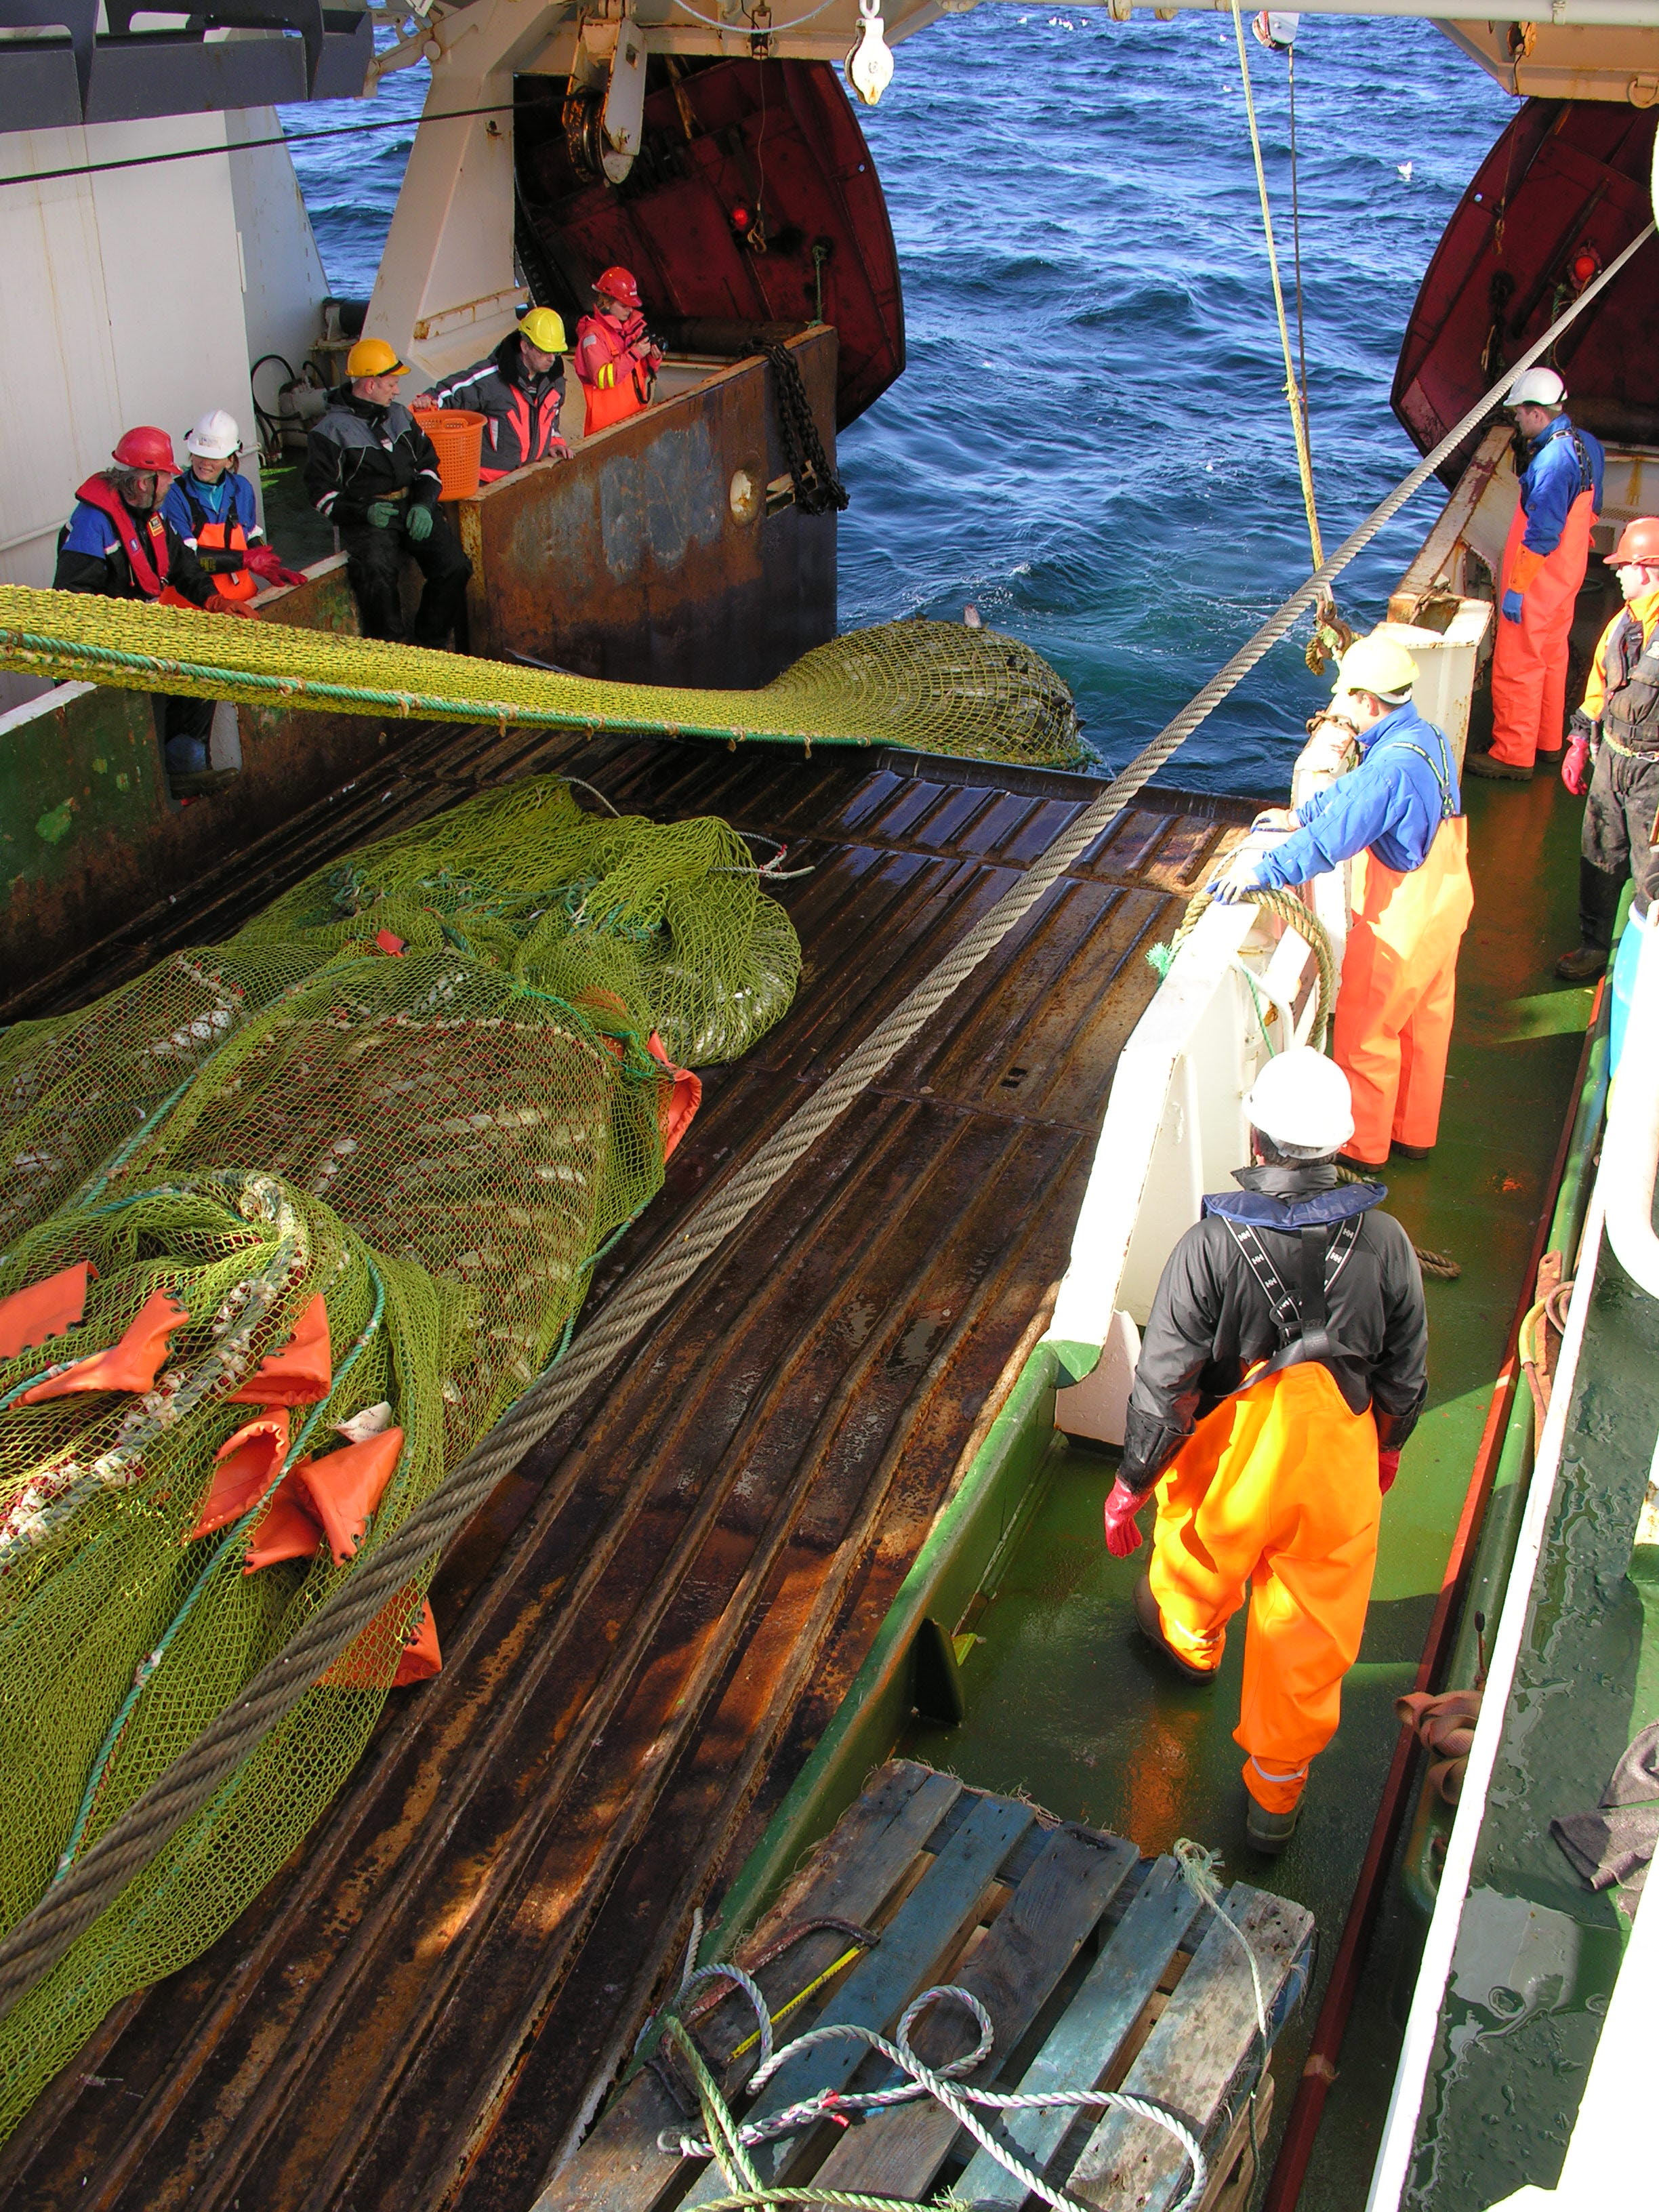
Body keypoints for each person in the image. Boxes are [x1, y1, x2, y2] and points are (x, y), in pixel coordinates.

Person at [1101, 1048, 1428, 1853]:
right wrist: (1386, 1451)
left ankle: (1189, 1649)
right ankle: (1273, 1809)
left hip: (1236, 1461)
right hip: (1337, 1465)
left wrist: (1132, 1484)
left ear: (1257, 1138)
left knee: (1195, 1558)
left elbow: (1165, 1386)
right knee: (1310, 1630)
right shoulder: (1387, 1242)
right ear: (1340, 1145)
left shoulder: (1208, 1247)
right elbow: (1406, 1371)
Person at [1208, 633, 1473, 1172]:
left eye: (1345, 697)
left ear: (1367, 702)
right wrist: (1300, 814)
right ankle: (1414, 1135)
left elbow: (1336, 839)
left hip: (1405, 917)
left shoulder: (1388, 771)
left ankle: (1365, 1151)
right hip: (1449, 899)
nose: (1338, 709)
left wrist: (1266, 871)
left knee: (1366, 1033)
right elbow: (1353, 797)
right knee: (1426, 1020)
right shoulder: (1427, 737)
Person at [54, 424, 258, 786]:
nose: (170, 484)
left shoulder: (151, 514)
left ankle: (186, 766)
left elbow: (182, 565)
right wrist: (125, 639)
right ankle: (156, 781)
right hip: (104, 646)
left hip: (143, 634)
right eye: (165, 477)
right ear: (143, 483)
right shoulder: (92, 523)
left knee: (205, 665)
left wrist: (215, 600)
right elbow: (72, 600)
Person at [1469, 367, 1604, 782]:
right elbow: (1593, 507)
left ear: (1536, 413)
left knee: (1518, 663)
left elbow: (1542, 534)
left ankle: (1512, 754)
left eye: (1520, 413)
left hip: (1539, 579)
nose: (1516, 421)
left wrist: (1517, 589)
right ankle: (1547, 743)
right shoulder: (1587, 446)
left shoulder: (1551, 463)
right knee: (1551, 656)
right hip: (1569, 573)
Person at [1553, 518, 1659, 1042]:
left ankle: (1645, 965)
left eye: (1625, 568)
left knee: (1651, 871)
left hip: (1654, 773)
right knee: (1599, 852)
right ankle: (1594, 945)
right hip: (1612, 759)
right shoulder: (1623, 623)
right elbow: (1599, 686)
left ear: (1648, 569)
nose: (1616, 575)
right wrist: (1578, 742)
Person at [304, 337, 472, 647]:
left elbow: (428, 465)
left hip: (412, 506)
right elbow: (320, 495)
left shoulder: (400, 416)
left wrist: (423, 504)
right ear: (370, 384)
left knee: (455, 567)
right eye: (391, 383)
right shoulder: (329, 432)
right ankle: (393, 648)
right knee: (376, 577)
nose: (397, 390)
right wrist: (363, 512)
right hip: (369, 519)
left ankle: (431, 642)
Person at [161, 411, 308, 602]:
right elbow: (185, 559)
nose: (205, 463)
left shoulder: (241, 488)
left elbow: (250, 537)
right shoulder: (173, 495)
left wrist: (271, 565)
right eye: (200, 454)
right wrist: (245, 560)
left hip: (243, 602)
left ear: (230, 460)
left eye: (214, 457)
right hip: (190, 607)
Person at [424, 308, 571, 483]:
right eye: (544, 351)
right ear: (525, 346)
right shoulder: (490, 379)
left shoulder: (555, 382)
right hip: (487, 484)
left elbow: (552, 415)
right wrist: (427, 403)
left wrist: (554, 440)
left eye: (556, 352)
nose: (552, 359)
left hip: (528, 478)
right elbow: (446, 394)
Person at [573, 267, 661, 436]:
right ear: (607, 302)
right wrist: (634, 353)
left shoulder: (629, 332)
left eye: (631, 306)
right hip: (606, 433)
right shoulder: (593, 337)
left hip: (633, 423)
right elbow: (603, 379)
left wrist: (652, 359)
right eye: (624, 305)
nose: (629, 310)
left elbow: (641, 373)